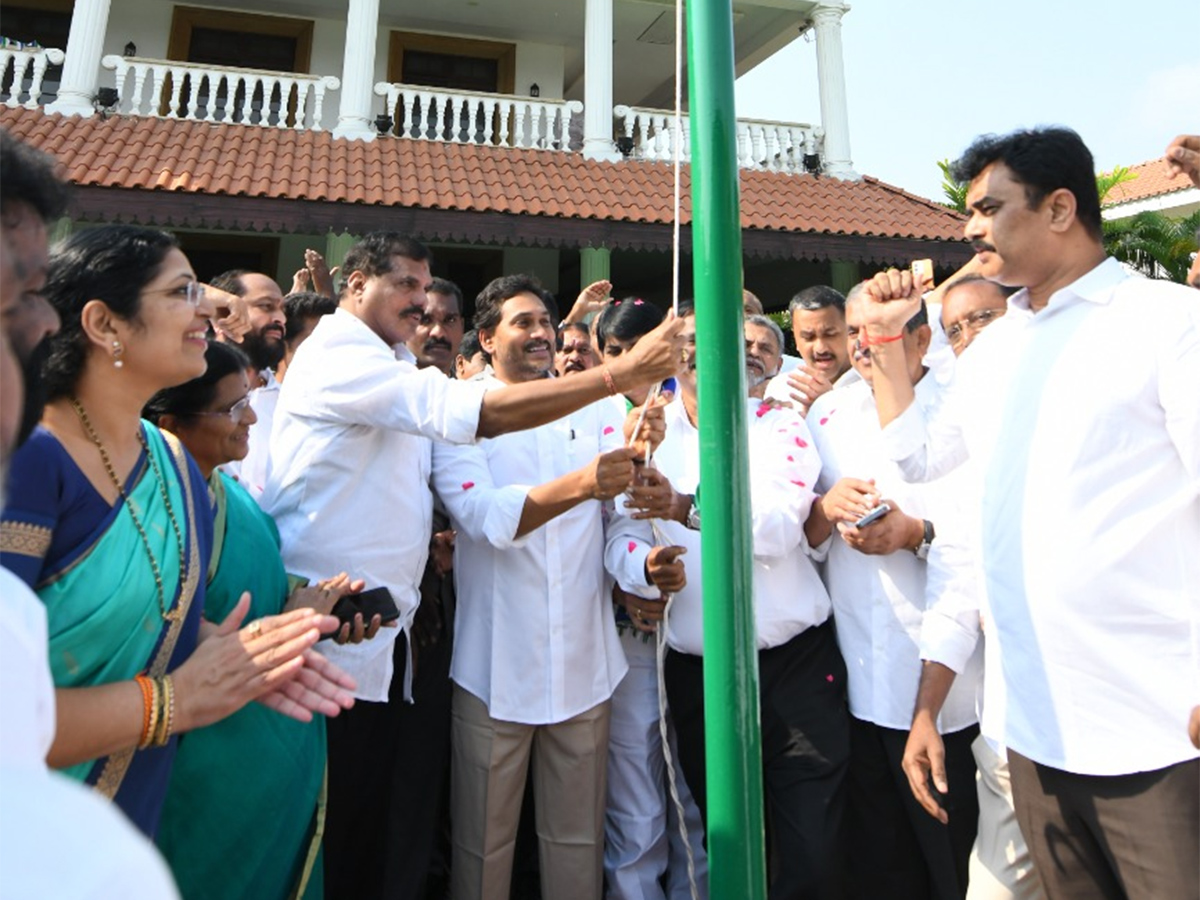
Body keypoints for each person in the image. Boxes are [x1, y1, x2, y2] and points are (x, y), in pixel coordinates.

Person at [260, 233, 686, 900]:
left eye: (548, 321)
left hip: (567, 661)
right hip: (459, 660)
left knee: (565, 848)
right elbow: (486, 516)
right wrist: (610, 385)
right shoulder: (358, 364)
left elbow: (619, 526)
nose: (420, 302)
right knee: (449, 849)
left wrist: (644, 566)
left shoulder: (407, 368)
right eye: (403, 285)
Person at [861, 127, 1199, 900]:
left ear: (1058, 208)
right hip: (1034, 738)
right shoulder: (999, 348)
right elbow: (917, 457)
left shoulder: (1166, 321)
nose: (971, 229)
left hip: (1156, 728)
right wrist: (884, 335)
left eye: (988, 208)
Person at [0, 225, 355, 838]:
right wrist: (174, 701)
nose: (209, 313)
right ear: (104, 324)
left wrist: (243, 656)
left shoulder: (169, 463)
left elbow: (156, 629)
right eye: (183, 293)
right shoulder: (30, 461)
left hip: (130, 827)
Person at [622, 305, 850, 900]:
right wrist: (637, 570)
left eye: (711, 337)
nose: (699, 351)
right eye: (687, 341)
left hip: (793, 669)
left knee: (810, 851)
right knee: (725, 844)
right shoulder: (645, 430)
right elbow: (615, 530)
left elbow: (777, 529)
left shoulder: (776, 423)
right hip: (699, 676)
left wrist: (684, 510)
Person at [143, 339, 368, 900]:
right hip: (209, 768)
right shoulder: (152, 516)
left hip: (270, 758)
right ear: (170, 423)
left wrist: (319, 606)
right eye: (230, 408)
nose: (249, 417)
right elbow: (158, 632)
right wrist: (290, 620)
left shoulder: (232, 496)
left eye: (247, 400)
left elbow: (252, 587)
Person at [806, 295, 982, 900]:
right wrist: (827, 512)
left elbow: (977, 551)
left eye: (878, 332)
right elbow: (803, 532)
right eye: (855, 330)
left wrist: (914, 535)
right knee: (881, 869)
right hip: (857, 689)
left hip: (949, 696)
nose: (860, 344)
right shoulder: (825, 414)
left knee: (953, 867)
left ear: (920, 341)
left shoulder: (960, 413)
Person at [764, 284, 856, 414]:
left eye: (830, 335)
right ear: (796, 339)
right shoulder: (781, 388)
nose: (820, 348)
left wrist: (830, 405)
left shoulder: (875, 384)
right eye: (808, 337)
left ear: (850, 331)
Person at [743, 313, 785, 400]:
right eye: (745, 345)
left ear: (779, 365)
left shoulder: (791, 404)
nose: (754, 352)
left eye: (765, 349)